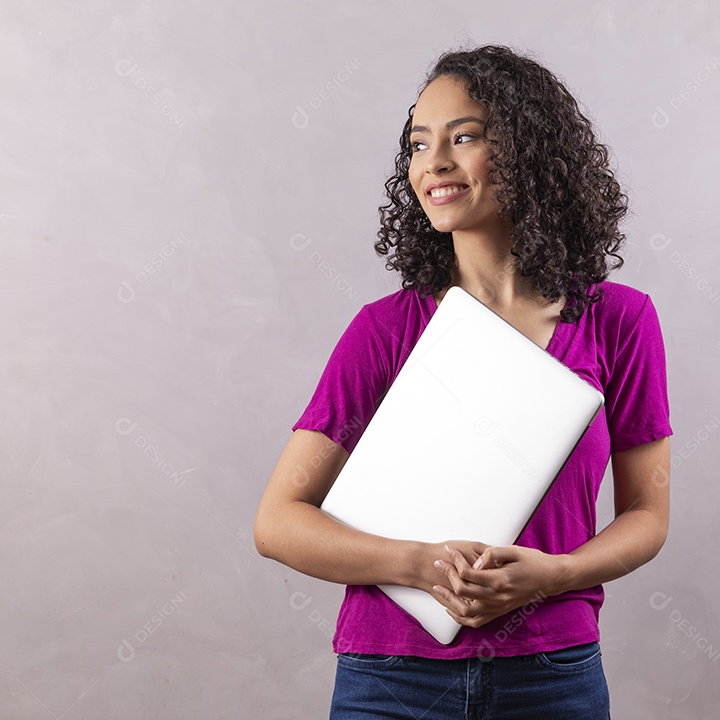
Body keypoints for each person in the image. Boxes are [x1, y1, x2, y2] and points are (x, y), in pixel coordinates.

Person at [255, 44, 673, 719]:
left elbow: (647, 517)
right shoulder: (384, 330)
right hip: (392, 680)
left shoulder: (619, 321)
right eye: (419, 145)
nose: (434, 163)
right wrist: (418, 566)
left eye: (465, 137)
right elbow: (278, 523)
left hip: (552, 675)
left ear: (530, 153)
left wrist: (556, 574)